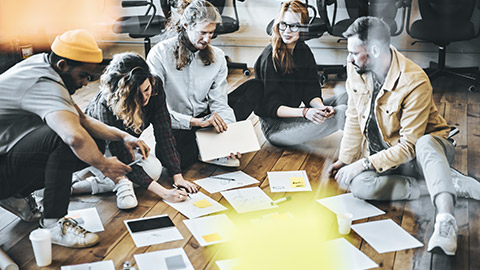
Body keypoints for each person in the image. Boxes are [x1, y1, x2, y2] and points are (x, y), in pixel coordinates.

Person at [327, 17, 480, 256]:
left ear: (375, 50)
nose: (349, 59)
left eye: (354, 53)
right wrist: (346, 160)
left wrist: (364, 163)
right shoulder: (356, 67)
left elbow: (410, 146)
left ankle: (445, 221)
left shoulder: (414, 80)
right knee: (360, 187)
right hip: (388, 154)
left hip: (426, 149)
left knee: (425, 142)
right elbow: (355, 117)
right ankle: (440, 183)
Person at [0, 30, 149, 248]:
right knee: (63, 139)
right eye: (83, 76)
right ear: (62, 65)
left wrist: (124, 136)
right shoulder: (44, 84)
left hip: (6, 157)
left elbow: (83, 120)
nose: (86, 83)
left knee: (90, 141)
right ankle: (53, 223)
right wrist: (104, 165)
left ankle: (16, 194)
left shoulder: (43, 65)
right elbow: (73, 137)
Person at [147, 0, 263, 169]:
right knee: (170, 161)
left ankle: (209, 145)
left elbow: (220, 103)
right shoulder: (159, 54)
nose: (207, 39)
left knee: (254, 87)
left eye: (211, 33)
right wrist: (195, 122)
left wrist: (230, 136)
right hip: (179, 123)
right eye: (202, 32)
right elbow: (158, 110)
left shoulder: (217, 56)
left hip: (208, 118)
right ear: (186, 25)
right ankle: (206, 147)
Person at [78, 52, 199, 207]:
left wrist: (178, 176)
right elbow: (120, 155)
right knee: (138, 174)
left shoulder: (155, 85)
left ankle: (99, 182)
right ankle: (87, 183)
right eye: (136, 95)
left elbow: (164, 132)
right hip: (98, 149)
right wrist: (164, 193)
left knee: (154, 169)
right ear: (122, 95)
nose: (144, 98)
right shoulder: (105, 103)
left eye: (146, 89)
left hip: (126, 144)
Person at [253, 0, 347, 147]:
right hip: (276, 129)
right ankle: (374, 151)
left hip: (295, 115)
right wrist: (305, 113)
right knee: (342, 113)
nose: (287, 31)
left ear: (303, 28)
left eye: (294, 26)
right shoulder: (270, 57)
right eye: (283, 24)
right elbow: (271, 106)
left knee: (348, 97)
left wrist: (320, 107)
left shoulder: (303, 50)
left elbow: (310, 90)